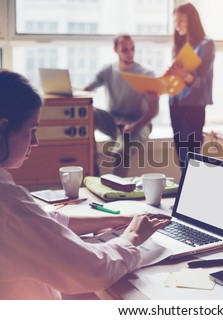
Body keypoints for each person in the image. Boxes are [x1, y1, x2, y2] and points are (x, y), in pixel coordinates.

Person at [0, 69, 170, 299]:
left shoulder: (13, 204)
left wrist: (117, 219)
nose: (36, 141)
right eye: (32, 130)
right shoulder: (10, 206)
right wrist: (133, 237)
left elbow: (47, 221)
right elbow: (92, 270)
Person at [84, 34, 159, 177]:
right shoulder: (108, 70)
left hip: (138, 123)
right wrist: (70, 91)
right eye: (125, 50)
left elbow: (153, 111)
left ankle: (115, 193)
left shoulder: (146, 74)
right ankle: (93, 175)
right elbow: (88, 88)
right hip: (113, 120)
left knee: (120, 153)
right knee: (88, 112)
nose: (130, 53)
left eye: (133, 49)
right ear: (115, 50)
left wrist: (134, 127)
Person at [166, 2, 215, 169]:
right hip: (175, 102)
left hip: (193, 105)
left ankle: (193, 191)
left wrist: (184, 75)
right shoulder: (180, 45)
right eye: (175, 21)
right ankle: (186, 190)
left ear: (192, 21)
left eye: (181, 21)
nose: (177, 25)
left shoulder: (206, 45)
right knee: (181, 154)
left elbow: (201, 80)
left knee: (191, 154)